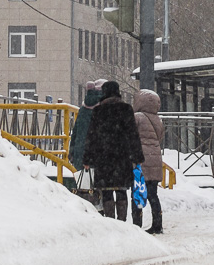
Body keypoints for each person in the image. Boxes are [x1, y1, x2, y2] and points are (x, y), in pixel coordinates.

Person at [86, 81, 143, 221]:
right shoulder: (126, 109)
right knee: (121, 189)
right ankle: (122, 221)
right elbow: (133, 135)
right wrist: (137, 157)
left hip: (103, 159)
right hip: (122, 158)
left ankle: (110, 221)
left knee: (106, 191)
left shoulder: (98, 111)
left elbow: (91, 137)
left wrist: (87, 159)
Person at [132, 88, 166, 234]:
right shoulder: (158, 120)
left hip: (141, 161)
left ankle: (136, 225)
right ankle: (157, 224)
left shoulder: (137, 117)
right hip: (156, 160)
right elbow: (160, 138)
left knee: (138, 193)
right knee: (153, 194)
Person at [69, 80, 104, 205]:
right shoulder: (102, 108)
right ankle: (99, 209)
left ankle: (84, 208)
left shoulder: (83, 109)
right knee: (99, 185)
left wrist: (72, 151)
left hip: (80, 150)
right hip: (97, 152)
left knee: (83, 183)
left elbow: (76, 130)